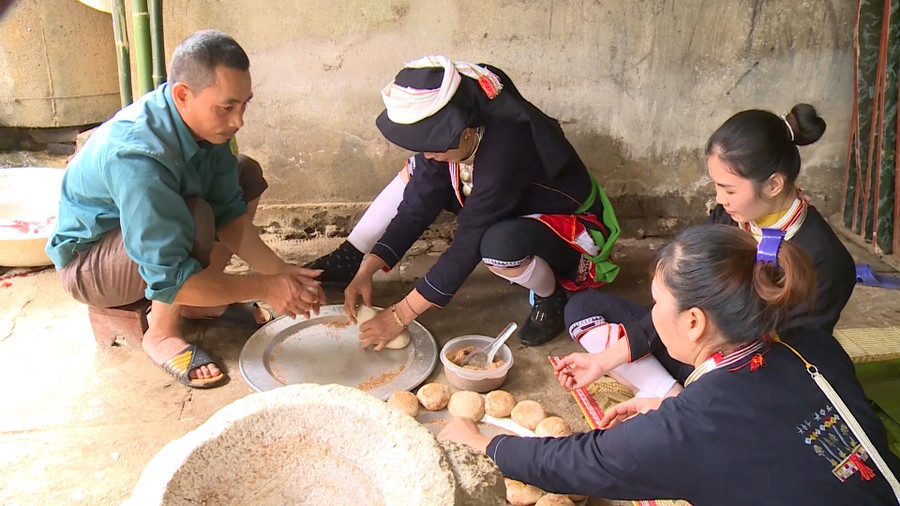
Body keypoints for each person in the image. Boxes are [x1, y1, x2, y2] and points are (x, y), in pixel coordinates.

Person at [441, 224, 900, 505]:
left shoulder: (692, 425)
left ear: (695, 322)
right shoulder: (814, 345)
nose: (650, 312)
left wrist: (483, 443)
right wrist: (666, 408)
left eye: (657, 302)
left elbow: (582, 460)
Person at [47, 30, 324, 388]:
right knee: (194, 216)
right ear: (182, 95)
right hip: (90, 266)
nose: (238, 120)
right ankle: (161, 333)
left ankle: (201, 302)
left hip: (138, 241)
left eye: (244, 105)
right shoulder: (138, 157)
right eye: (227, 107)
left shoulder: (204, 126)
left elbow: (229, 212)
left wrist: (282, 273)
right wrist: (265, 287)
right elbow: (171, 280)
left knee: (246, 174)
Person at [310, 55, 620, 347]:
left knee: (496, 246)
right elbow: (417, 207)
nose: (429, 153)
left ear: (468, 132)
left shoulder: (506, 149)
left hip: (570, 227)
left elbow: (467, 242)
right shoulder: (452, 139)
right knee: (421, 175)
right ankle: (351, 259)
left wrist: (399, 315)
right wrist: (367, 269)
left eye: (434, 146)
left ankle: (550, 296)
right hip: (515, 208)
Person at [558, 104, 857, 397]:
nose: (720, 199)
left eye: (728, 189)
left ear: (774, 185)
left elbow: (788, 366)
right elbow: (677, 297)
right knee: (582, 308)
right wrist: (603, 360)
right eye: (716, 186)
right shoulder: (729, 217)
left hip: (743, 382)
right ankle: (670, 395)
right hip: (690, 343)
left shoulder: (826, 261)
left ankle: (676, 400)